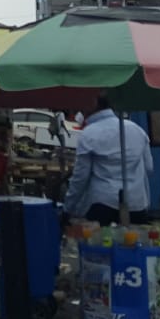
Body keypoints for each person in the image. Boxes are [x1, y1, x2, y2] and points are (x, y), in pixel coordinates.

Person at [64, 95, 153, 226]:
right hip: (136, 205)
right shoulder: (137, 130)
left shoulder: (89, 134)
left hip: (102, 204)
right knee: (134, 244)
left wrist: (68, 208)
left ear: (93, 104)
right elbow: (149, 168)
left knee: (99, 245)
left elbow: (80, 178)